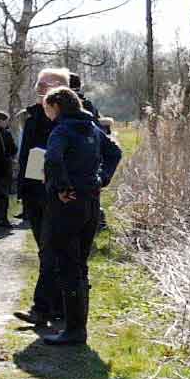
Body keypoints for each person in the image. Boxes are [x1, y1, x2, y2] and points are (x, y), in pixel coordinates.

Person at [38, 87, 123, 346]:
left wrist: (63, 187)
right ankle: (77, 327)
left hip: (69, 204)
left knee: (67, 263)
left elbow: (52, 159)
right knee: (81, 263)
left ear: (56, 106)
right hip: (91, 201)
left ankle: (74, 330)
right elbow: (115, 152)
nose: (46, 113)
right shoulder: (92, 127)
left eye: (47, 108)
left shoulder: (62, 130)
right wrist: (102, 179)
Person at [14, 68, 72, 328]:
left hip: (58, 194)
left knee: (51, 251)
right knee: (46, 250)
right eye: (39, 86)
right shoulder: (32, 116)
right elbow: (24, 155)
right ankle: (58, 306)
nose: (41, 91)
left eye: (46, 87)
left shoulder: (72, 119)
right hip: (34, 193)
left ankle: (43, 309)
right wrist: (22, 191)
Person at [0, 109, 18, 222]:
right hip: (4, 167)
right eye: (6, 121)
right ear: (0, 120)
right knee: (3, 194)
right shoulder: (5, 133)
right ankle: (2, 218)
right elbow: (13, 149)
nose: (7, 124)